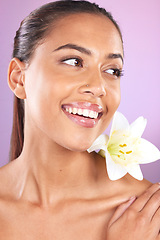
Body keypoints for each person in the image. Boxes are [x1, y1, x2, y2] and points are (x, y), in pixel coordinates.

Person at [0, 0, 159, 239]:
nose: (98, 87)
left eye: (112, 70)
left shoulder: (149, 216)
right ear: (19, 79)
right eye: (74, 61)